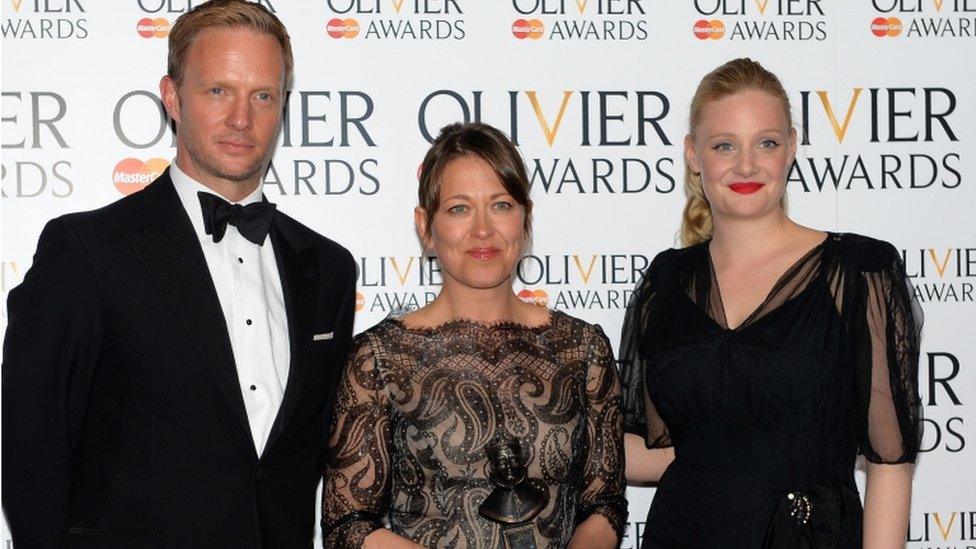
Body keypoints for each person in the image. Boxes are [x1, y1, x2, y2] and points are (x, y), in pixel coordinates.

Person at [1, 1, 356, 547]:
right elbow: (30, 450)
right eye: (218, 91)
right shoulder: (88, 251)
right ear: (172, 97)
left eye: (263, 95)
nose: (242, 118)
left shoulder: (328, 268)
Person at [619, 58, 922, 548]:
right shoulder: (666, 282)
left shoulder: (859, 271)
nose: (746, 165)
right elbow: (658, 451)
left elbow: (890, 464)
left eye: (766, 143)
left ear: (792, 149)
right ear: (693, 155)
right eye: (724, 146)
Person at [321, 122, 627, 548]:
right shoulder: (380, 358)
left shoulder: (583, 350)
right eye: (459, 209)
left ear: (526, 216)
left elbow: (605, 503)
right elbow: (348, 523)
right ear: (425, 226)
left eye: (501, 205)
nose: (483, 230)